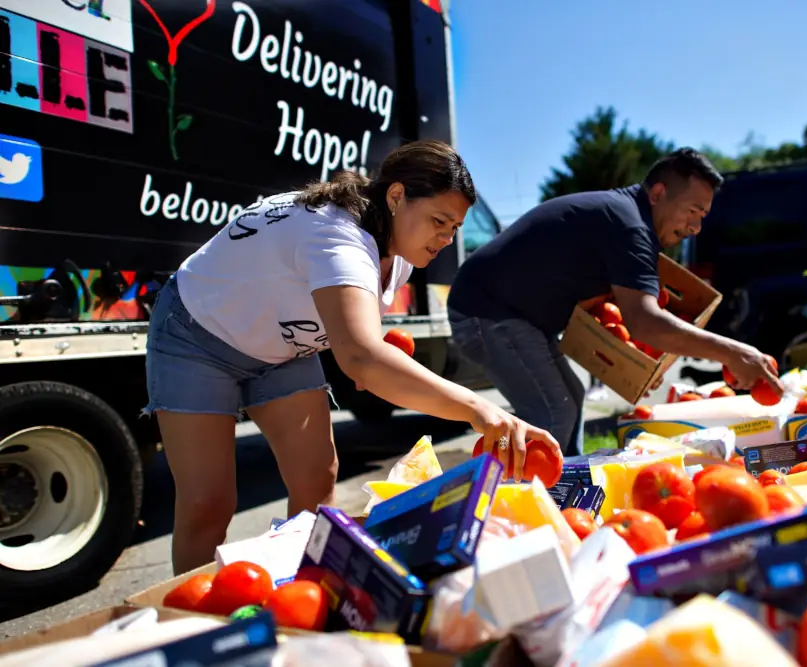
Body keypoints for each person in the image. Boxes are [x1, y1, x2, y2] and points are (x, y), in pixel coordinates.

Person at [143, 140, 559, 575]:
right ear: (396, 197)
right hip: (197, 336)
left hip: (282, 349)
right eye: (439, 221)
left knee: (316, 479)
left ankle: (302, 591)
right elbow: (361, 358)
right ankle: (189, 623)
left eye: (455, 227)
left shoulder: (395, 252)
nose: (448, 239)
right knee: (207, 505)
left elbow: (359, 344)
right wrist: (480, 408)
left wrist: (374, 356)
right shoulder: (335, 234)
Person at [446, 148, 783, 457]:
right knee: (553, 411)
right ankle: (514, 502)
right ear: (658, 193)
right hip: (487, 310)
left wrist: (640, 362)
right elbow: (644, 322)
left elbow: (618, 314)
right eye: (693, 211)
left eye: (703, 216)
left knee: (571, 399)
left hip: (515, 315)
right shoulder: (630, 227)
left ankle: (566, 495)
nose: (696, 227)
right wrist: (734, 352)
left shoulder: (627, 217)